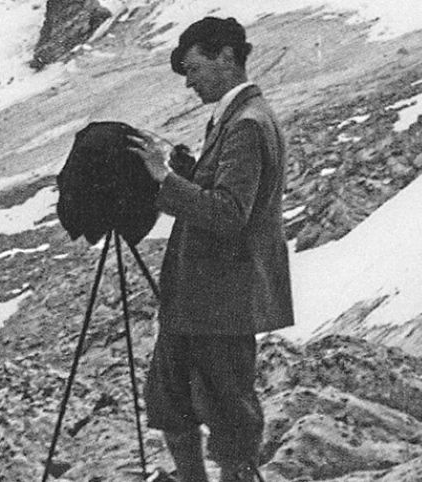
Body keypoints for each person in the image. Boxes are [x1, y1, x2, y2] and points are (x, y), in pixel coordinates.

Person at [128, 16, 294, 482]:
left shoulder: (246, 124)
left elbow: (228, 213)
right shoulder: (237, 117)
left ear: (226, 57)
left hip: (223, 298)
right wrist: (186, 171)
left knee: (229, 414)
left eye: (194, 69)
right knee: (170, 399)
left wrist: (165, 179)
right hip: (202, 299)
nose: (190, 83)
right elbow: (224, 194)